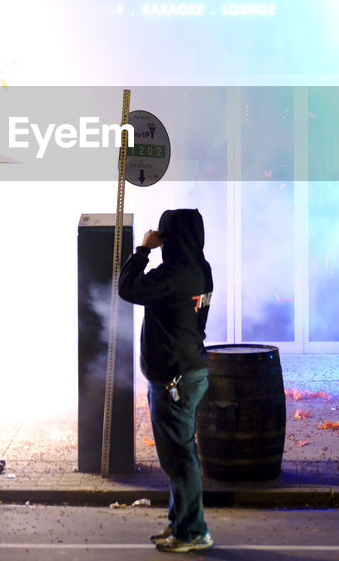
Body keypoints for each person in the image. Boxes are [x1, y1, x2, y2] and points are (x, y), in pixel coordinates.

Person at [118, 209, 214, 554]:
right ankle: (181, 524)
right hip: (190, 372)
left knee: (179, 458)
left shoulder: (172, 275)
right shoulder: (201, 270)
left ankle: (193, 532)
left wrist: (143, 249)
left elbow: (127, 287)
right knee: (180, 454)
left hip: (174, 379)